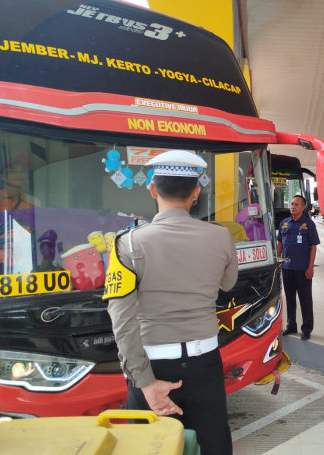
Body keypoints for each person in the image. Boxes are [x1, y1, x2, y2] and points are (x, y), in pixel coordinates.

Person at [104, 150, 238, 455]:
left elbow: (121, 321)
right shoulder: (221, 237)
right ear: (196, 192)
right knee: (213, 447)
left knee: (152, 449)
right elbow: (228, 284)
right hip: (205, 365)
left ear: (152, 189)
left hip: (152, 367)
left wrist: (146, 383)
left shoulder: (127, 244)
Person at [278, 194, 320, 340]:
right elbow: (280, 243)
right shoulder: (284, 223)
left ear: (303, 207)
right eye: (292, 203)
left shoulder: (309, 224)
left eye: (296, 204)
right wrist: (278, 261)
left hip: (302, 269)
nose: (293, 206)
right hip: (287, 268)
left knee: (305, 300)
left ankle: (307, 328)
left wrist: (310, 267)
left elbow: (313, 246)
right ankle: (291, 325)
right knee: (289, 299)